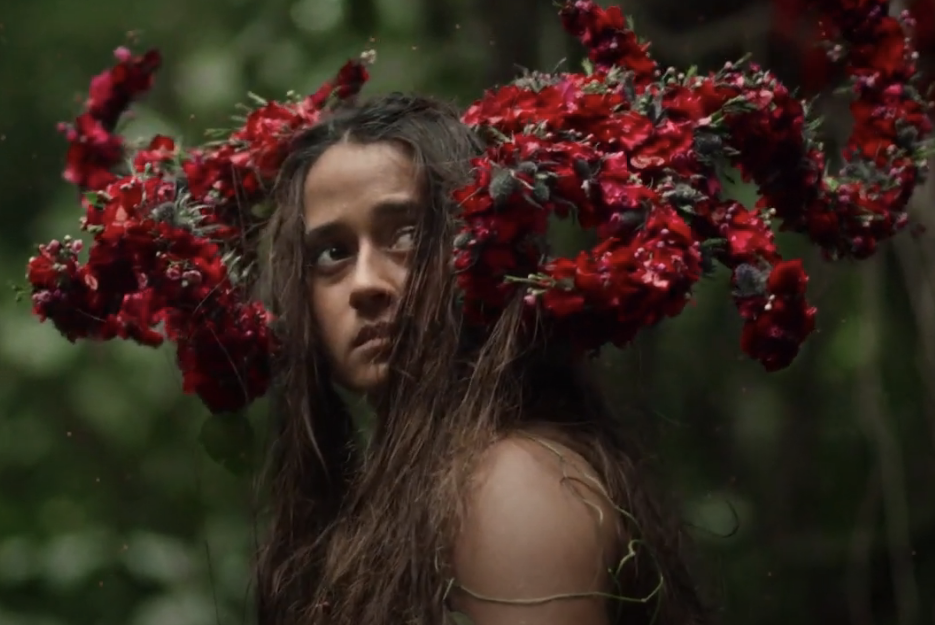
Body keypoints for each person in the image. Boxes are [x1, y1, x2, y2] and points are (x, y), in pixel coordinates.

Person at [252, 92, 712, 625]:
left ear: (478, 251)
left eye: (406, 234)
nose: (364, 285)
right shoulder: (390, 488)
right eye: (332, 253)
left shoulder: (511, 483)